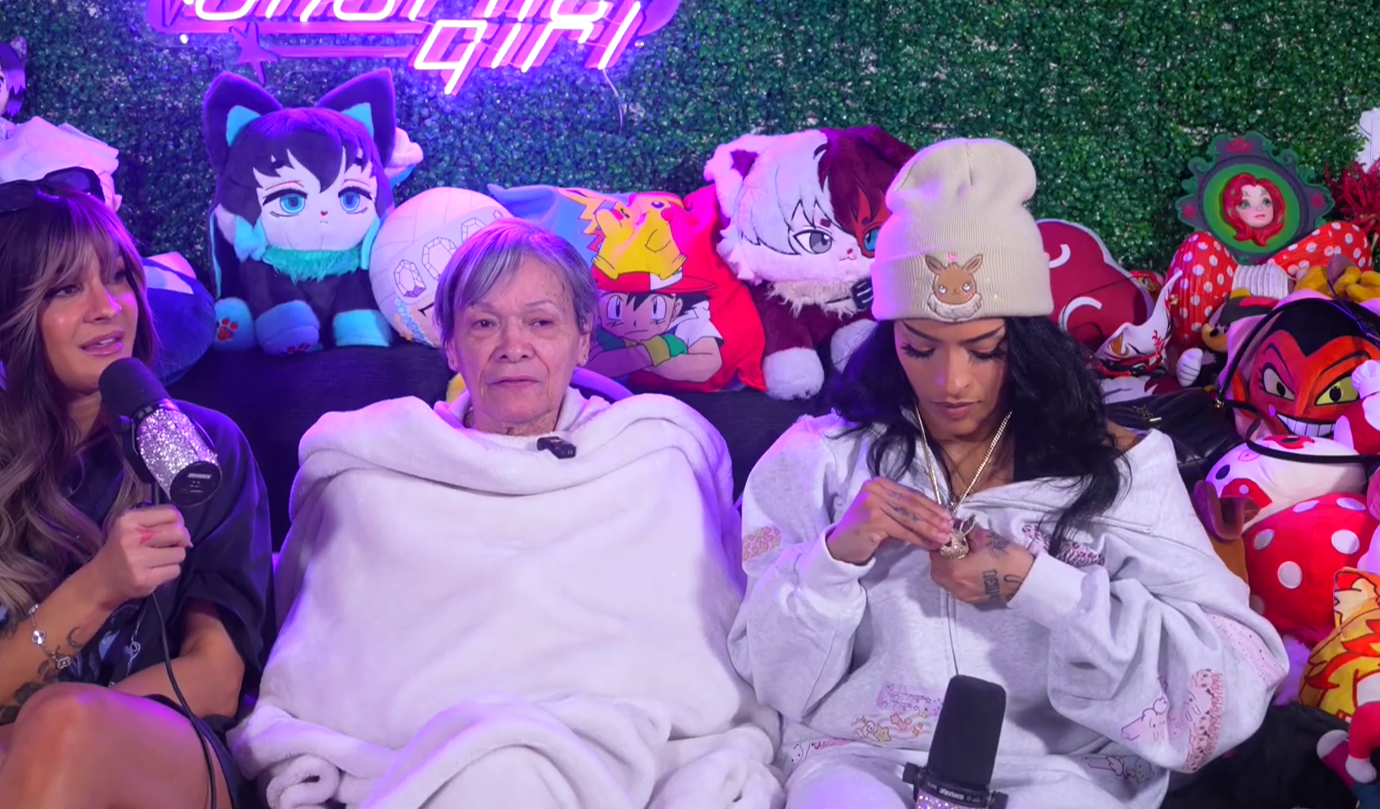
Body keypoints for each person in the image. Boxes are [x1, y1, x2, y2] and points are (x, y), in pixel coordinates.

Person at [730, 139, 1287, 809]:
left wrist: (1040, 586)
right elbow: (771, 679)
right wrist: (831, 559)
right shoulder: (817, 457)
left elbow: (1230, 682)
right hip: (860, 760)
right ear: (888, 337)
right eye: (920, 347)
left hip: (1064, 772)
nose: (951, 381)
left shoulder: (1120, 466)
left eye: (984, 349)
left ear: (1026, 341)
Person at [228, 218, 781, 808]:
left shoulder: (654, 456)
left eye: (541, 323)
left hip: (621, 752)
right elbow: (326, 651)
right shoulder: (370, 468)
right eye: (484, 324)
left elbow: (695, 653)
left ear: (583, 338)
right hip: (423, 762)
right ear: (450, 343)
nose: (513, 346)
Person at [0, 168, 272, 809]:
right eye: (65, 289)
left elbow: (216, 677)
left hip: (155, 758)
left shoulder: (203, 449)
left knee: (65, 725)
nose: (108, 307)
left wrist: (32, 734)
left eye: (118, 276)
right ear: (0, 319)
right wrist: (100, 586)